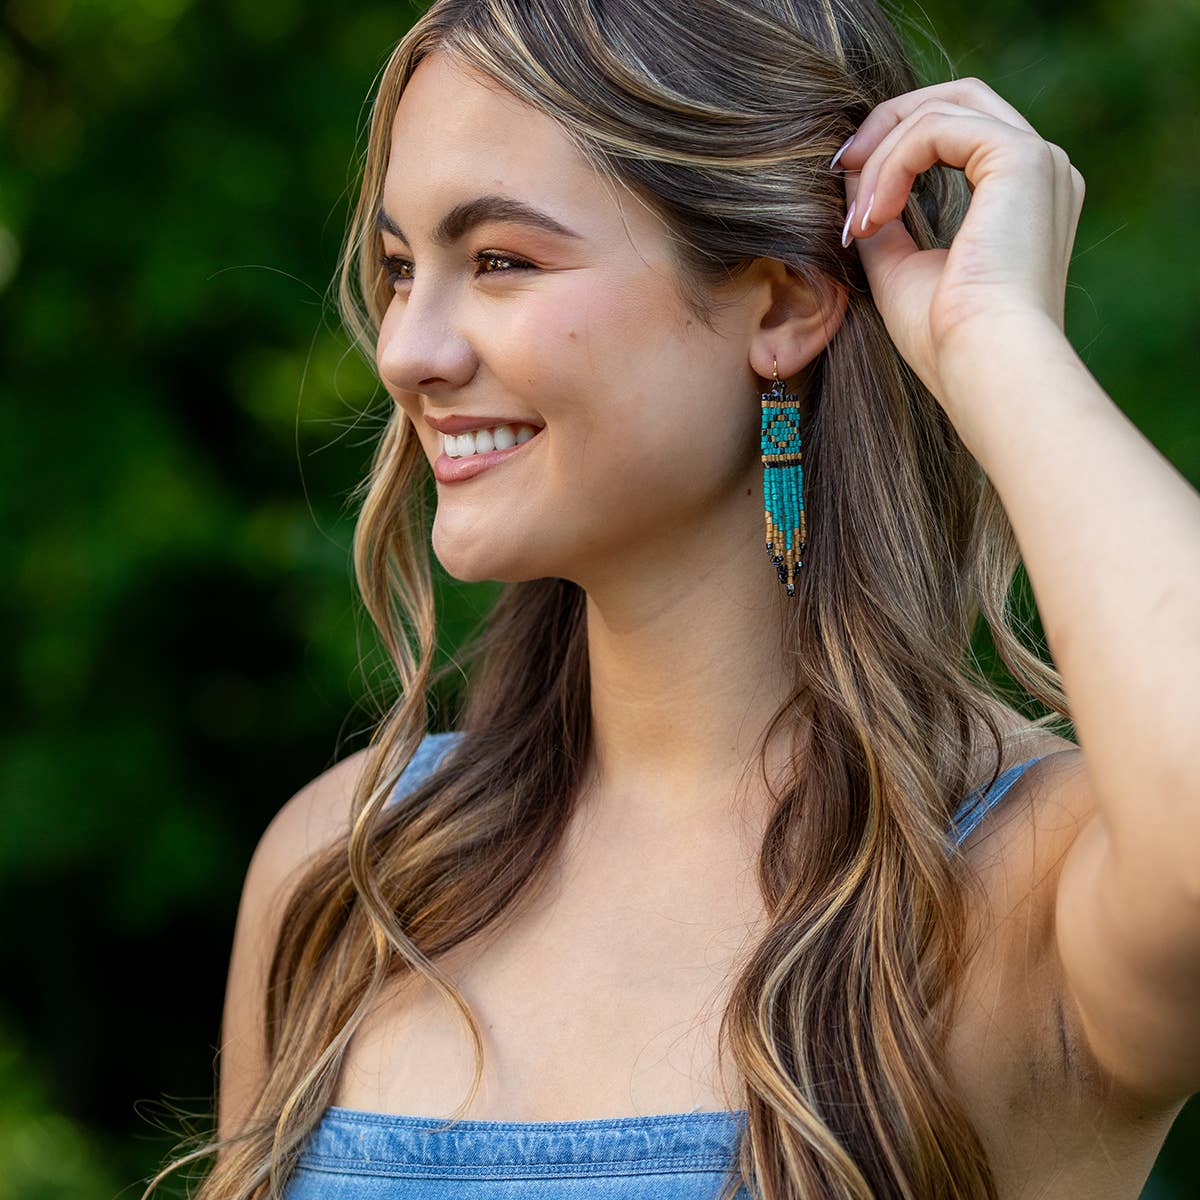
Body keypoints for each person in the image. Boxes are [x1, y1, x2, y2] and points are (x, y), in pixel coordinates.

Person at [144, 1, 1200, 1197]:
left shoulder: (1020, 887)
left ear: (786, 303)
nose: (404, 351)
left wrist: (994, 341)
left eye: (499, 259)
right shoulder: (354, 869)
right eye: (399, 269)